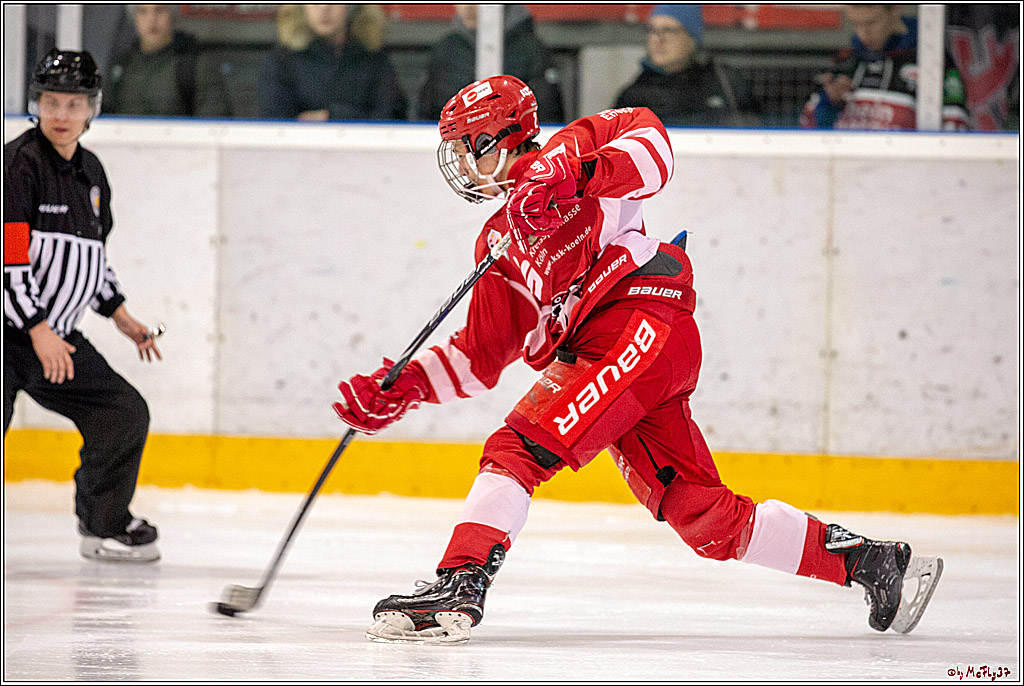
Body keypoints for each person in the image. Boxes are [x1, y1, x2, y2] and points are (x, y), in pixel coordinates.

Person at [334, 75, 944, 644]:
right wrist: (403, 386)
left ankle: (460, 583)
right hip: (628, 357)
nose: (461, 165)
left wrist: (570, 175)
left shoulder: (572, 150)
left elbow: (654, 146)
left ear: (496, 139)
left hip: (641, 323)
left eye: (466, 148)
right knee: (704, 519)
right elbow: (482, 352)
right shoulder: (500, 239)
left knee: (517, 449)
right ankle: (874, 563)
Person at [4, 49, 163, 563]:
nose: (61, 114)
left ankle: (105, 525)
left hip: (56, 336)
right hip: (16, 333)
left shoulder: (91, 173)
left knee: (122, 412)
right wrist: (37, 329)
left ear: (91, 109)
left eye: (73, 104)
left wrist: (120, 315)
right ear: (37, 104)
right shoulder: (17, 165)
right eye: (52, 102)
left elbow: (92, 257)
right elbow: (8, 260)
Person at [800, 5, 969, 130]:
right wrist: (828, 103)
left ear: (896, 8)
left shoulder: (932, 60)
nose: (862, 33)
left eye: (871, 23)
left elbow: (954, 133)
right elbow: (806, 132)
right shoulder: (845, 62)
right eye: (856, 24)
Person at [614, 5, 759, 127]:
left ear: (692, 38)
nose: (659, 39)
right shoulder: (633, 97)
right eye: (652, 30)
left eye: (669, 30)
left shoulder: (725, 83)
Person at [415, 5, 564, 123]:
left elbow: (547, 113)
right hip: (456, 147)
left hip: (513, 149)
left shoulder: (531, 50)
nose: (467, 7)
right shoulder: (447, 49)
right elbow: (426, 110)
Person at [258, 4, 406, 121]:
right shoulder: (282, 60)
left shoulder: (373, 57)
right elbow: (275, 124)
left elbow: (392, 118)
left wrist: (332, 116)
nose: (324, 7)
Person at [104, 4, 232, 118]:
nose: (152, 20)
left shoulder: (193, 64)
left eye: (159, 10)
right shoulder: (121, 67)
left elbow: (214, 123)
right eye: (142, 11)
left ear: (172, 14)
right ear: (134, 18)